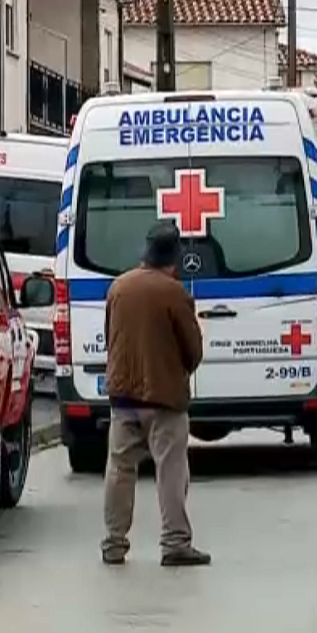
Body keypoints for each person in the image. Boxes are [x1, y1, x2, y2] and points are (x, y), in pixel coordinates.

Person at [101, 221, 210, 567]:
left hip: (123, 397)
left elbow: (110, 337)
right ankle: (175, 543)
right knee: (171, 470)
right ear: (174, 259)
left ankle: (114, 543)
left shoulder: (119, 288)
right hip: (164, 398)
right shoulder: (175, 293)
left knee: (119, 470)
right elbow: (193, 351)